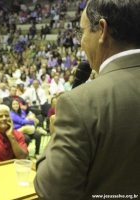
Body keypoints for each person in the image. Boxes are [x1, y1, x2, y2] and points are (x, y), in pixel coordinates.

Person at [34, 1, 140, 198]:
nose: (81, 43)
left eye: (82, 33)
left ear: (102, 30)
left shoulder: (80, 103)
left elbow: (51, 191)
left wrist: (56, 136)